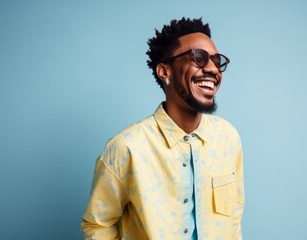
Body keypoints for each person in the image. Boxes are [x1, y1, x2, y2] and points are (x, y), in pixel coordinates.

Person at [81, 17, 244, 240]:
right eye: (199, 57)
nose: (213, 69)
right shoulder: (127, 147)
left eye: (217, 61)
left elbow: (233, 219)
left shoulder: (228, 138)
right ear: (164, 71)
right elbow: (97, 225)